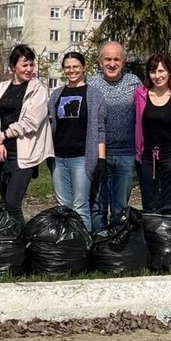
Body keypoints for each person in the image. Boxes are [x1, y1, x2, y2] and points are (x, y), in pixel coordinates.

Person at [0, 44, 54, 224]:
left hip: (25, 152)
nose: (29, 69)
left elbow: (31, 122)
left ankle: (22, 242)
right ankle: (11, 244)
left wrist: (3, 136)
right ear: (13, 66)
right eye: (24, 65)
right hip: (2, 152)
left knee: (13, 203)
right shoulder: (1, 87)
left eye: (31, 65)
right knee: (5, 203)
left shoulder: (38, 90)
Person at [86, 41, 142, 230]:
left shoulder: (135, 82)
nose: (112, 63)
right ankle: (99, 243)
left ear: (124, 61)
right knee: (97, 206)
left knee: (120, 206)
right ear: (100, 61)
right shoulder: (90, 83)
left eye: (116, 59)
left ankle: (117, 245)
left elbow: (151, 107)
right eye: (108, 59)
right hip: (98, 154)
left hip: (126, 154)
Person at [48, 52, 106, 231]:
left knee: (80, 205)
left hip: (82, 157)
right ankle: (67, 245)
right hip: (59, 157)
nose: (72, 70)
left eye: (75, 67)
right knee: (63, 206)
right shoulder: (57, 95)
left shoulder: (94, 95)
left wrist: (101, 159)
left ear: (83, 67)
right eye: (68, 67)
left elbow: (100, 129)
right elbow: (51, 125)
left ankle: (83, 246)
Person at [135, 53, 171, 211]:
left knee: (170, 204)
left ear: (169, 72)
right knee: (149, 204)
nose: (157, 76)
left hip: (170, 155)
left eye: (161, 71)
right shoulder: (140, 95)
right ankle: (152, 235)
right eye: (153, 71)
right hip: (147, 156)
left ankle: (168, 235)